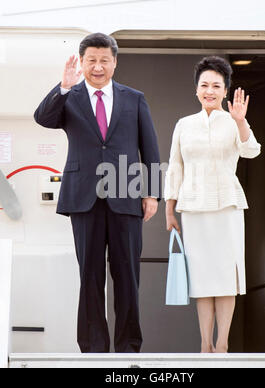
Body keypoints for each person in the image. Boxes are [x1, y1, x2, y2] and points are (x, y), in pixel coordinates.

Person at [34, 33, 161, 353]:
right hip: (83, 198)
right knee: (89, 277)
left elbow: (151, 149)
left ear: (115, 62)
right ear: (81, 62)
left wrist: (153, 194)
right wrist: (63, 86)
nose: (98, 67)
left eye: (105, 60)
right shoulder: (70, 97)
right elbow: (43, 118)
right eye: (92, 60)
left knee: (127, 277)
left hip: (126, 194)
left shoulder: (135, 98)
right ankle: (92, 349)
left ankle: (129, 346)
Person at [164, 56, 261, 353]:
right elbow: (175, 167)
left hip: (227, 207)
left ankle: (222, 344)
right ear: (196, 89)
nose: (210, 90)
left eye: (216, 85)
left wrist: (241, 121)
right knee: (203, 280)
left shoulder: (234, 122)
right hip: (193, 208)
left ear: (225, 90)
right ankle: (204, 345)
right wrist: (169, 208)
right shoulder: (184, 124)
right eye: (204, 85)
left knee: (225, 278)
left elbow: (252, 150)